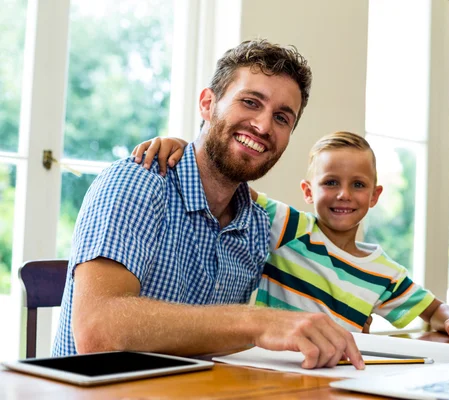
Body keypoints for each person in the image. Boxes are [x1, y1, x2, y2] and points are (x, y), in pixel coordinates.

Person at [52, 39, 366, 371]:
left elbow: (332, 253)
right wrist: (255, 322)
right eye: (249, 102)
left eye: (282, 118)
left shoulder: (258, 226)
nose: (263, 126)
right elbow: (97, 332)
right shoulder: (137, 182)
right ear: (207, 104)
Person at [133, 131, 449, 342]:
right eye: (331, 183)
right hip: (267, 368)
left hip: (339, 378)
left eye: (357, 185)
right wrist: (181, 146)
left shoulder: (385, 272)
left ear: (374, 196)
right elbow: (226, 183)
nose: (344, 194)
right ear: (308, 191)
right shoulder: (289, 226)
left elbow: (434, 311)